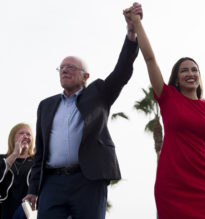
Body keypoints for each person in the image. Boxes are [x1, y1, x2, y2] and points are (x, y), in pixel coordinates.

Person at [23, 6, 143, 219]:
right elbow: (40, 152)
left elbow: (122, 70)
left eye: (70, 67)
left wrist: (132, 33)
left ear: (85, 76)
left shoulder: (99, 94)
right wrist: (33, 188)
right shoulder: (46, 105)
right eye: (61, 68)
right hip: (52, 183)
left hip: (88, 180)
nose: (64, 70)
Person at [124, 3, 205, 219]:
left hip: (204, 184)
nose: (190, 73)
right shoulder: (167, 97)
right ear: (176, 78)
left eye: (194, 70)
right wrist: (137, 23)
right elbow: (150, 59)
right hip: (172, 183)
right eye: (184, 70)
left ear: (199, 76)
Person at [0, 123, 34, 219]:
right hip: (5, 209)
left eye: (28, 134)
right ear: (12, 138)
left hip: (27, 209)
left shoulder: (36, 161)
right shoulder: (3, 159)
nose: (25, 136)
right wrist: (15, 153)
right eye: (21, 133)